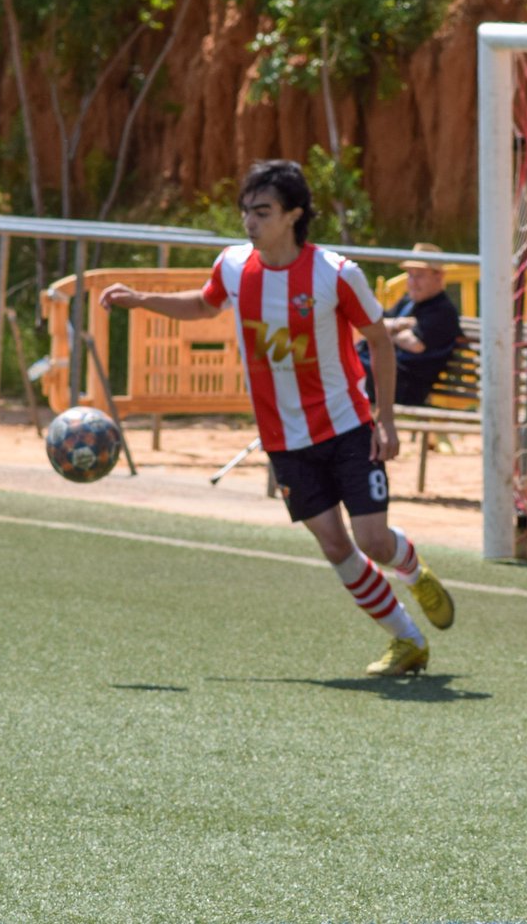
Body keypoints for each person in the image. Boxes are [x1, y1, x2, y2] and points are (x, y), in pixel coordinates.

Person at [98, 159, 455, 677]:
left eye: (262, 212)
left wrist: (386, 420)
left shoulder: (336, 273)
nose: (250, 222)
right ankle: (407, 639)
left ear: (294, 215)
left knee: (372, 540)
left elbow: (379, 340)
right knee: (334, 545)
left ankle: (413, 570)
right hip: (284, 440)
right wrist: (141, 299)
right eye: (246, 211)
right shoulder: (234, 266)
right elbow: (203, 304)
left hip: (347, 426)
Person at [358, 243, 464, 406]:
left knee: (345, 367)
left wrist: (388, 330)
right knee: (342, 361)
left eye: (419, 276)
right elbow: (376, 323)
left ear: (439, 277)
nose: (412, 282)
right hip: (384, 371)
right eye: (410, 275)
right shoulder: (409, 301)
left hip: (405, 385)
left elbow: (414, 344)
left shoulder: (443, 310)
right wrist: (398, 325)